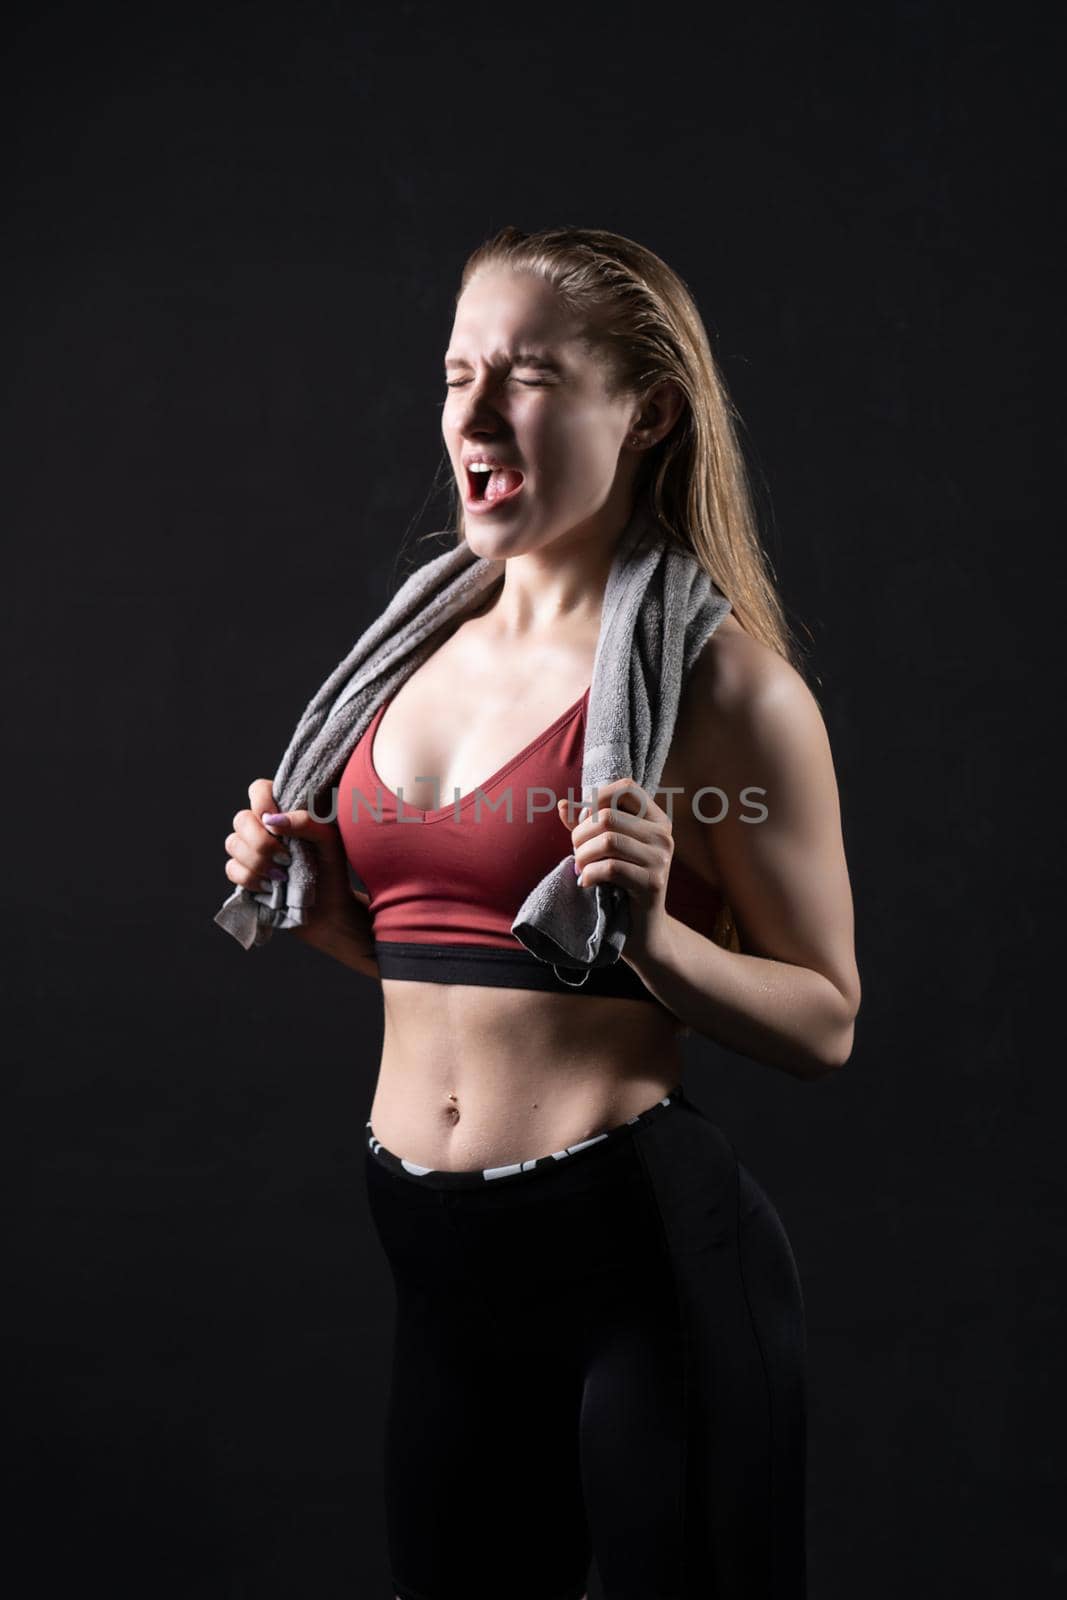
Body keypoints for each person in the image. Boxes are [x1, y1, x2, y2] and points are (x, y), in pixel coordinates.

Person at [222, 225, 860, 1600]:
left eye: (527, 375)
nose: (473, 411)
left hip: (637, 1267)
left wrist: (659, 933)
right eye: (457, 373)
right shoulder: (409, 663)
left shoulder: (728, 693)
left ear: (648, 413)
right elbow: (451, 975)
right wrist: (326, 907)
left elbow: (827, 1022)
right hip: (439, 1271)